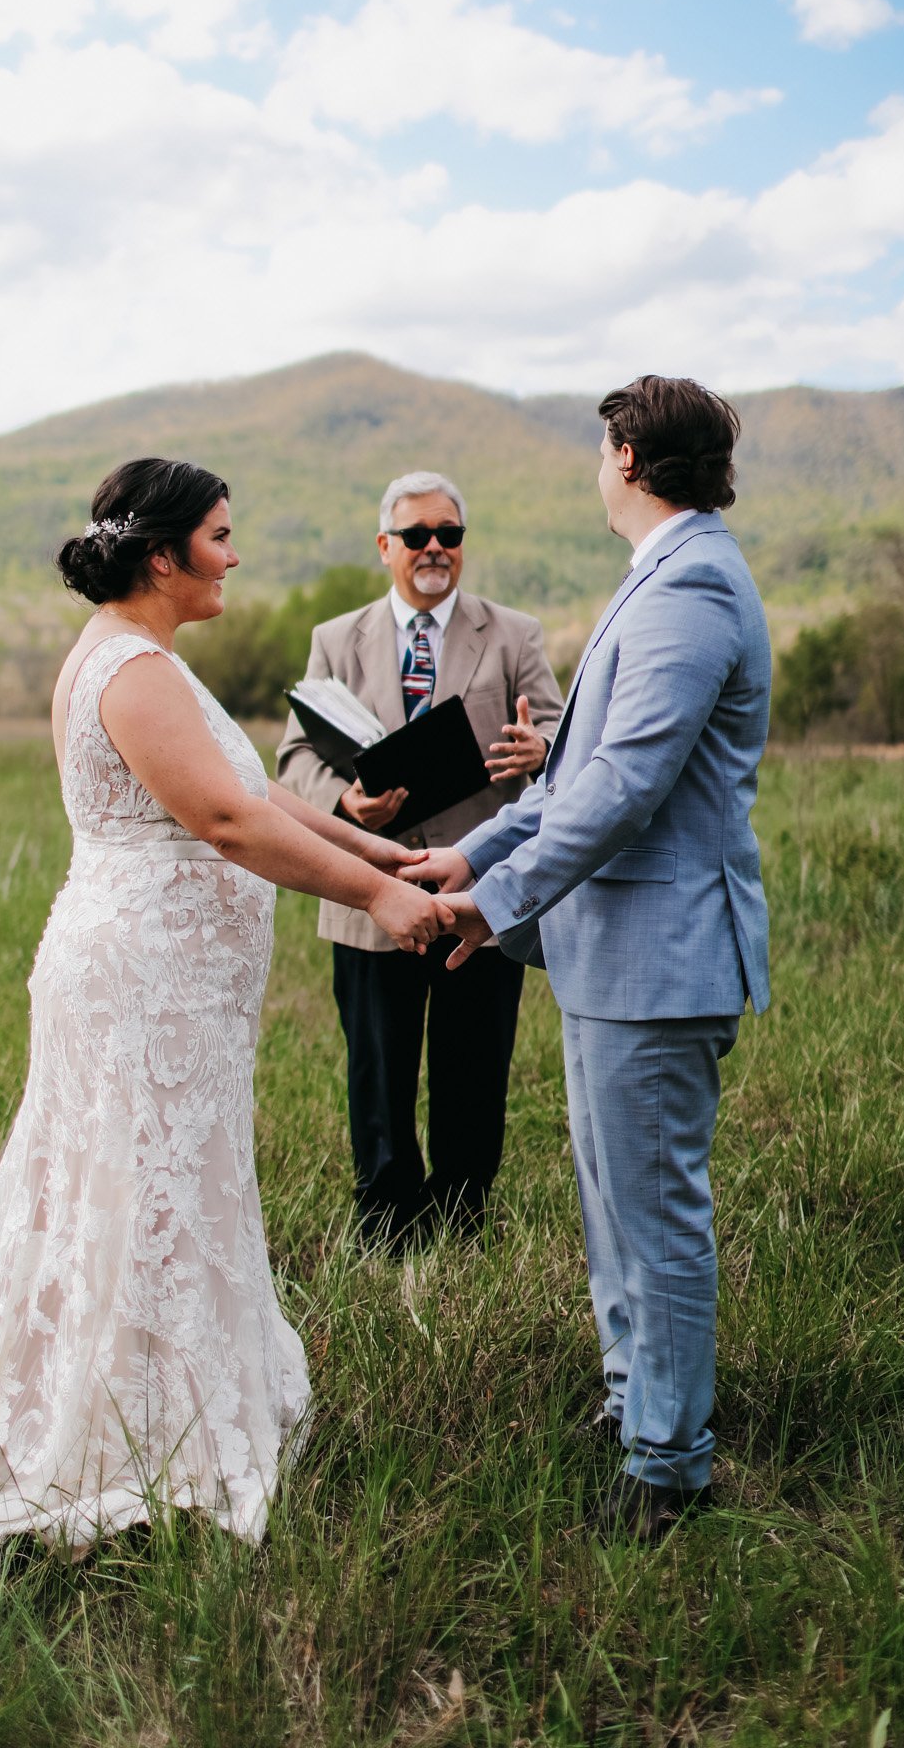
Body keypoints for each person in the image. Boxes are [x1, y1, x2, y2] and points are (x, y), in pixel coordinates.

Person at [0, 457, 449, 1686]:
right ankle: (115, 1414)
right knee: (126, 1180)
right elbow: (228, 825)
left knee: (146, 1182)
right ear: (162, 553)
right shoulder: (132, 669)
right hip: (139, 985)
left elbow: (262, 793)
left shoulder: (141, 655)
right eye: (220, 535)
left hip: (169, 988)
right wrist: (382, 896)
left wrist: (382, 849)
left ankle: (146, 1377)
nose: (232, 554)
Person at [409, 378, 771, 1541]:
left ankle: (668, 1468)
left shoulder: (696, 582)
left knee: (654, 1211)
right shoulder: (661, 575)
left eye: (596, 449)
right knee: (613, 1204)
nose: (593, 465)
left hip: (662, 957)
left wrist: (495, 898)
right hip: (613, 954)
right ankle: (634, 1403)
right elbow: (569, 780)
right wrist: (461, 862)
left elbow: (622, 787)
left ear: (625, 456)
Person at [277, 471, 563, 1249]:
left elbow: (571, 747)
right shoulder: (335, 639)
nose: (434, 548)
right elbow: (294, 756)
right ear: (385, 547)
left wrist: (541, 749)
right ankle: (385, 1228)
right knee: (378, 1071)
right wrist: (345, 805)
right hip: (367, 888)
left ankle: (464, 1222)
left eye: (449, 534)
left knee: (473, 1070)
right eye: (416, 536)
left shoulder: (515, 634)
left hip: (480, 895)